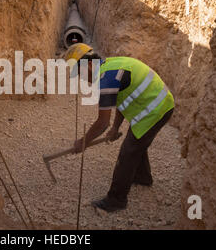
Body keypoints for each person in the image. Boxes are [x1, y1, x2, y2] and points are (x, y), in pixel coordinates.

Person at [64, 43, 175, 212]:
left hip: (157, 108)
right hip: (159, 104)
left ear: (89, 65)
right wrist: (115, 127)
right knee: (138, 141)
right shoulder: (109, 66)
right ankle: (143, 177)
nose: (80, 77)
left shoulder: (105, 79)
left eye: (79, 72)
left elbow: (102, 123)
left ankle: (116, 200)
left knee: (128, 151)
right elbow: (122, 99)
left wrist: (83, 141)